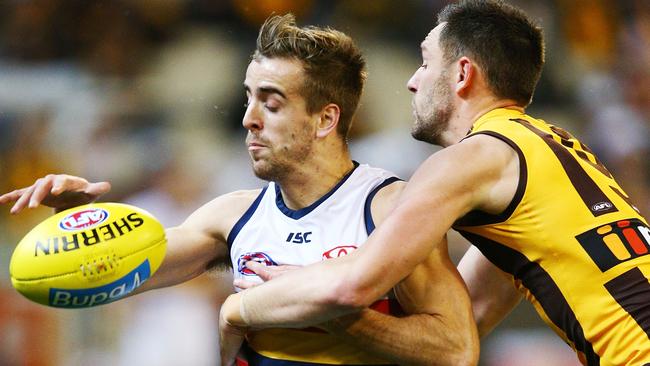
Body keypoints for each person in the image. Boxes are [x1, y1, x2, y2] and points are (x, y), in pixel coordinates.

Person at [0, 14, 478, 366]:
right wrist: (78, 222)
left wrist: (328, 306)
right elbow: (106, 274)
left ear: (325, 119)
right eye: (249, 98)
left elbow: (454, 349)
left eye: (271, 103)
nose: (248, 118)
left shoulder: (392, 209)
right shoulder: (233, 217)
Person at [218, 1, 650, 365]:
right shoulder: (555, 152)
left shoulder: (471, 157)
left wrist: (243, 308)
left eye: (426, 62)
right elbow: (464, 325)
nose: (412, 80)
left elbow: (352, 287)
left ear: (462, 74)